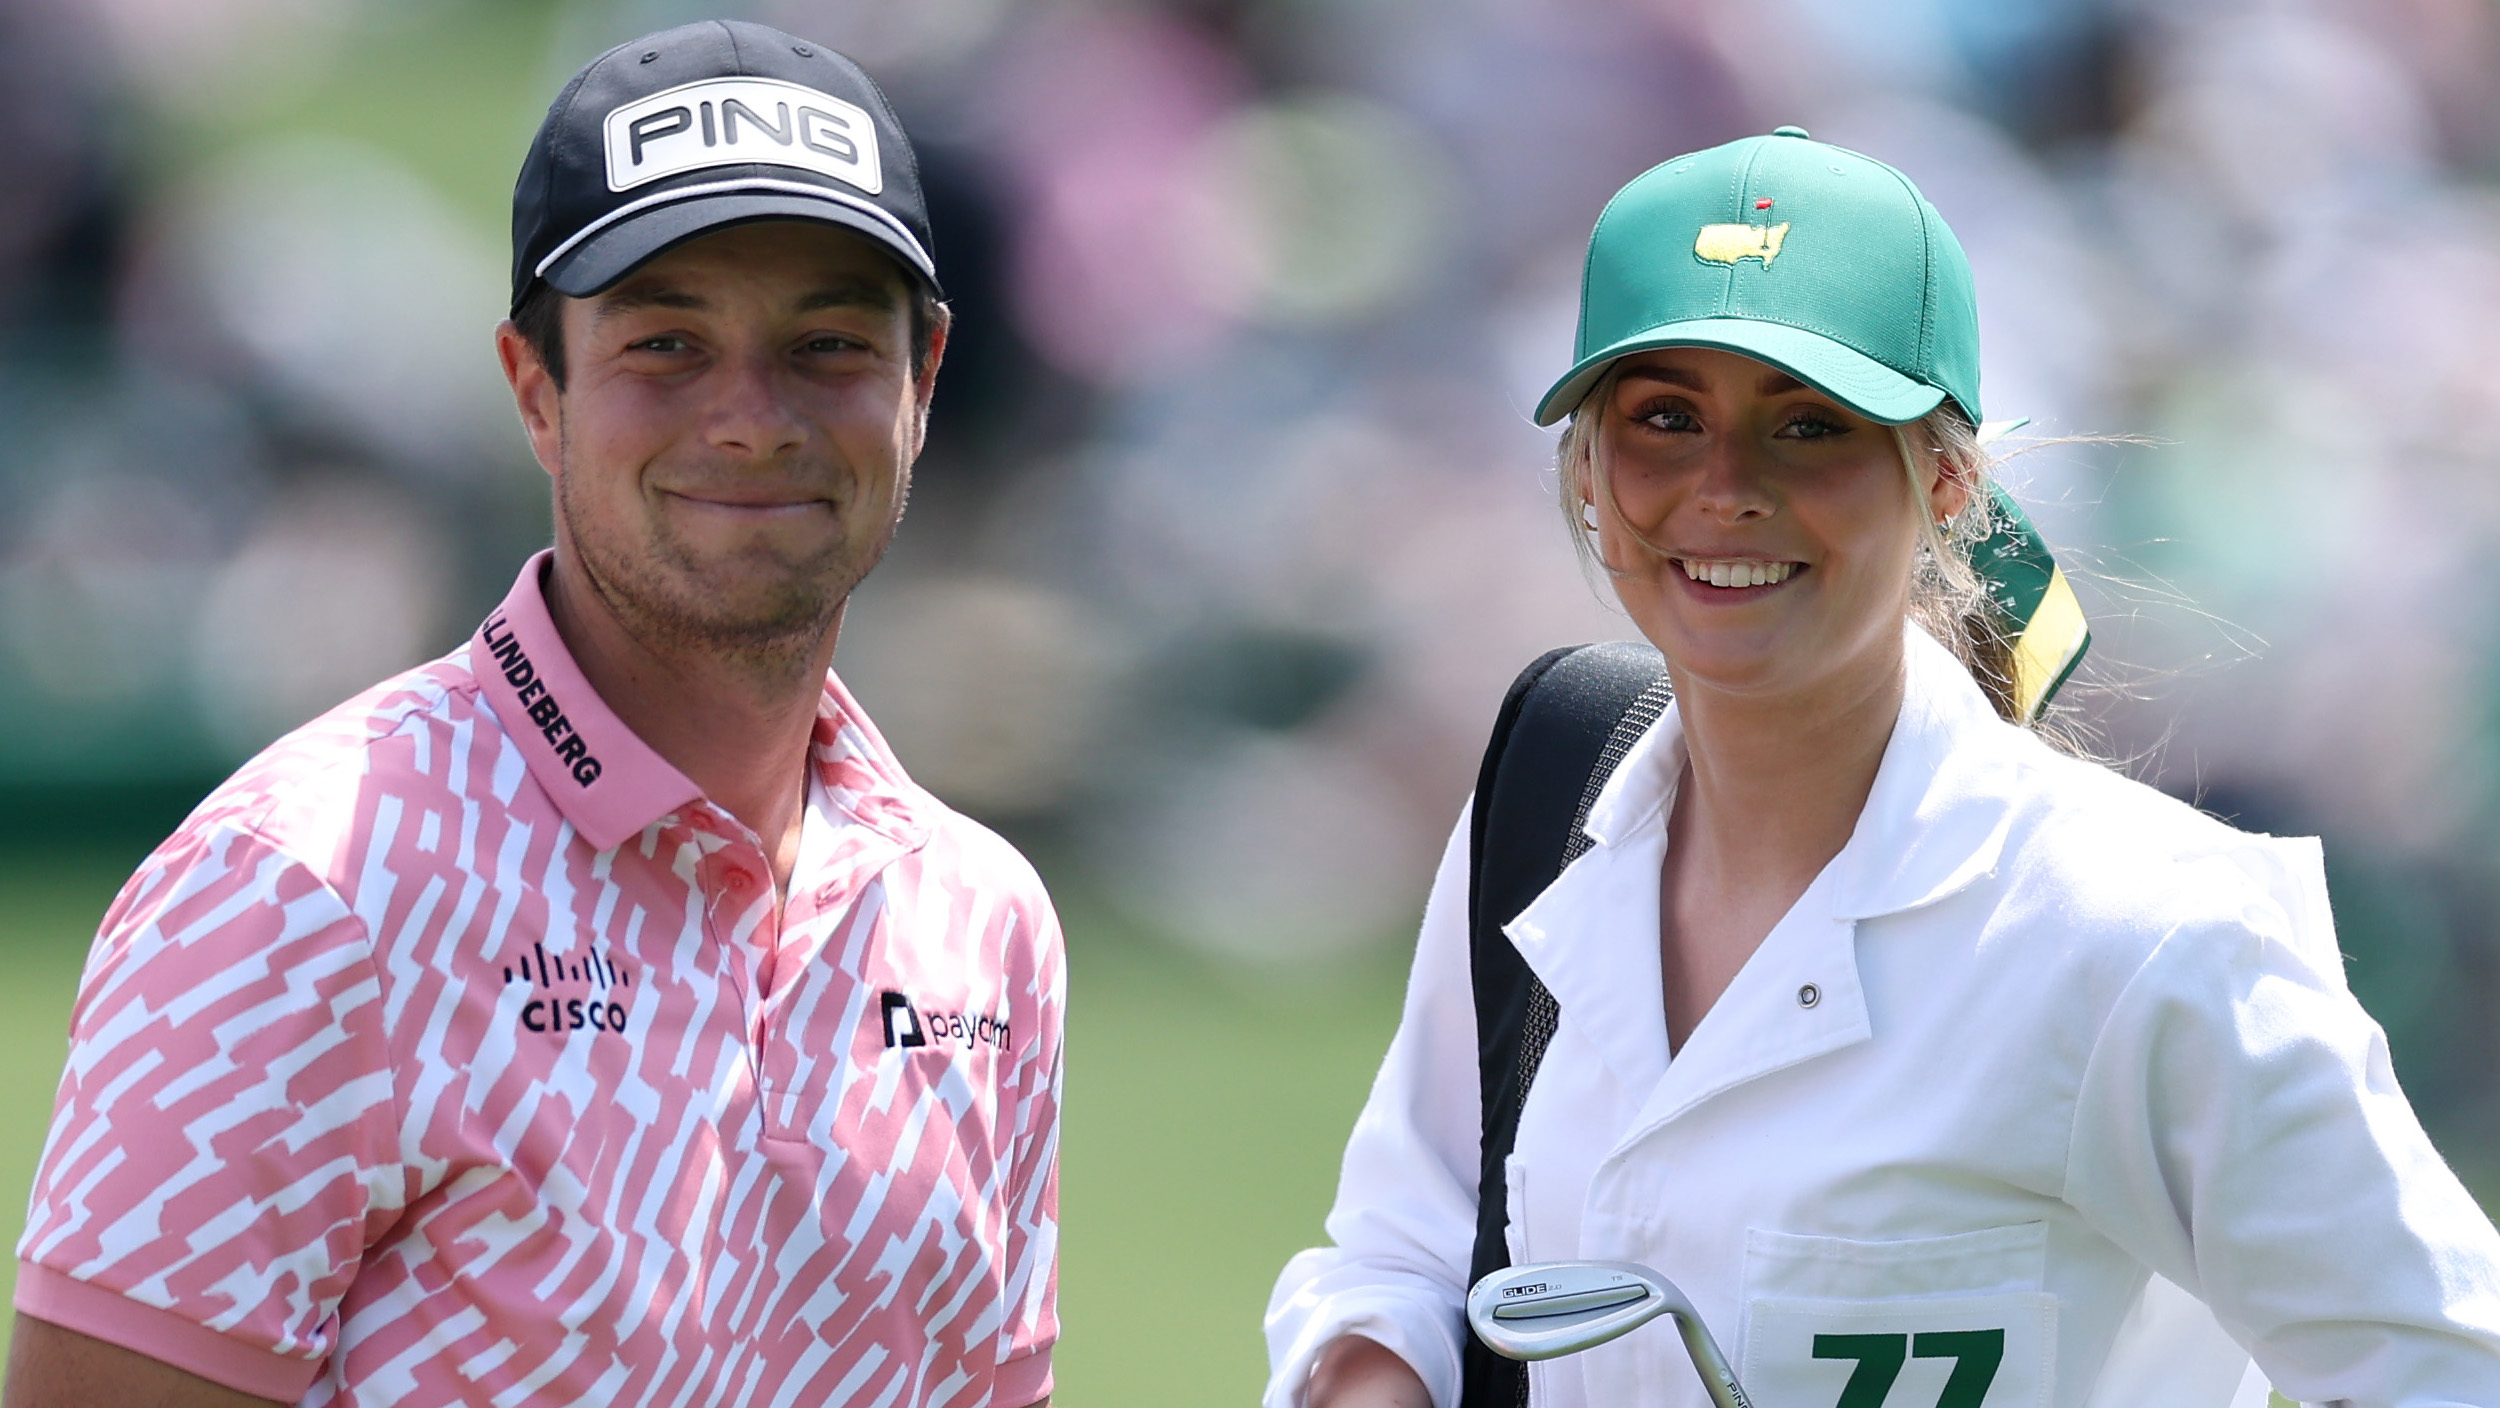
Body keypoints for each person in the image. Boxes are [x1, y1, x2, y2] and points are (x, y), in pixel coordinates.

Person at [1263, 128, 2500, 1408]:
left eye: (1809, 426)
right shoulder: (1550, 785)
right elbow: (1408, 1240)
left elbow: (2446, 1365)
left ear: (1949, 481)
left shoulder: (2144, 931)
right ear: (1585, 470)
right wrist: (1371, 1371)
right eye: (1664, 419)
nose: (1724, 487)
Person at [5, 21, 1060, 1408]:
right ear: (535, 391)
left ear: (921, 386)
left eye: (826, 344)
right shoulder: (298, 890)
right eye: (668, 344)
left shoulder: (982, 925)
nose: (753, 418)